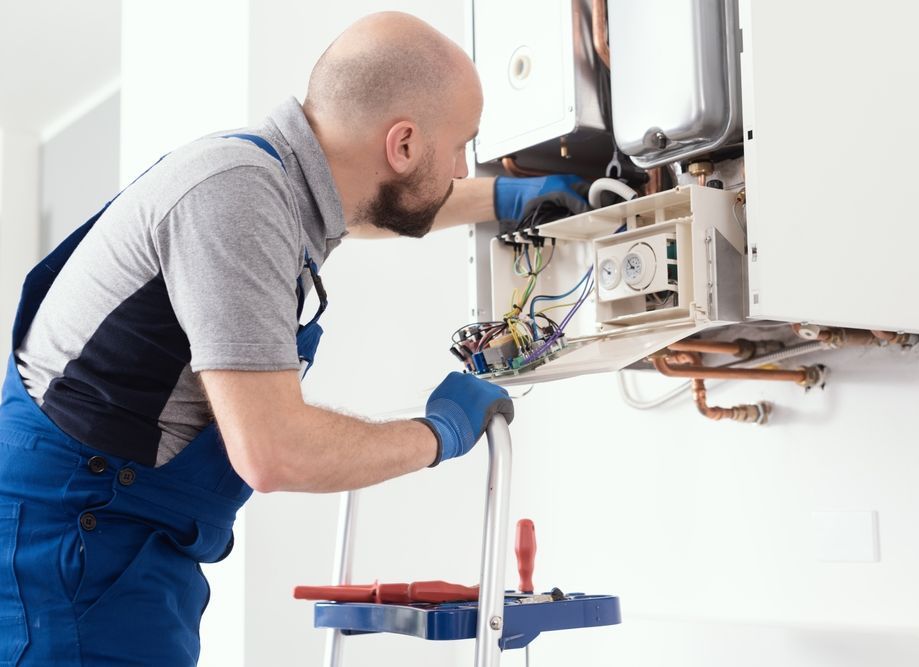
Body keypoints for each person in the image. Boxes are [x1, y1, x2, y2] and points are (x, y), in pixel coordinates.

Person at [0, 11, 585, 666]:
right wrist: (439, 432)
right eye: (460, 146)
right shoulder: (239, 199)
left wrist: (505, 198)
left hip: (116, 547)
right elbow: (272, 450)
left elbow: (379, 214)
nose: (462, 166)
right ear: (402, 145)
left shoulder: (270, 182)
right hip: (71, 561)